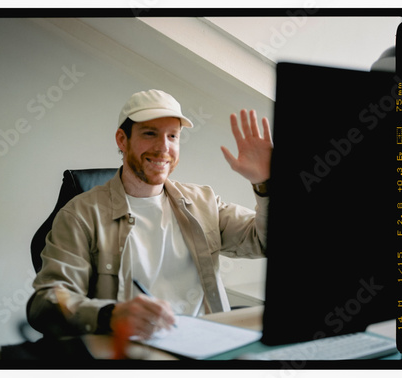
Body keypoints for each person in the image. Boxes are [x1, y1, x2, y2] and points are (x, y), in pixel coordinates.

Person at [27, 89, 273, 340]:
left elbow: (264, 241)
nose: (163, 147)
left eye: (172, 136)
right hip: (130, 355)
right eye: (150, 134)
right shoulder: (80, 214)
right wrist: (110, 315)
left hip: (205, 348)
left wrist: (265, 184)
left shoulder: (203, 202)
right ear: (122, 140)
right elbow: (46, 303)